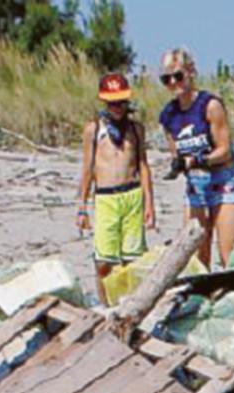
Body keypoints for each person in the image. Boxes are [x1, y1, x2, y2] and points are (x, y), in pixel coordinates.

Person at [157, 47, 234, 269]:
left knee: (228, 254)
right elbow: (176, 152)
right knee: (197, 254)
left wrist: (198, 160)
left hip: (224, 182)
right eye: (166, 79)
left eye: (178, 76)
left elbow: (224, 150)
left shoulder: (210, 106)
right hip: (196, 187)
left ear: (191, 72)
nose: (173, 83)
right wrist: (178, 165)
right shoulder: (168, 115)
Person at [75, 73, 154, 303]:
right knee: (103, 262)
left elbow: (143, 165)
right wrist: (82, 206)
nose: (117, 107)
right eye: (112, 102)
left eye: (121, 102)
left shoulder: (136, 129)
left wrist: (150, 203)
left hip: (132, 195)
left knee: (133, 260)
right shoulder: (93, 129)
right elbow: (87, 169)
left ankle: (132, 304)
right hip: (106, 198)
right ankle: (106, 306)